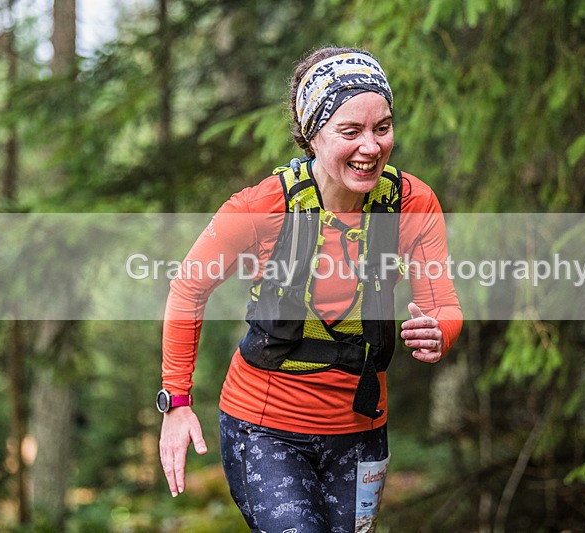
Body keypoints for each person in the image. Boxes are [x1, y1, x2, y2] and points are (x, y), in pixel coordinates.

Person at [158, 46, 462, 533]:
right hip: (266, 429)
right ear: (312, 134)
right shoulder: (262, 207)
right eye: (350, 131)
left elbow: (442, 307)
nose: (371, 147)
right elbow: (188, 288)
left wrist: (438, 332)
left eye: (382, 128)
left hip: (362, 433)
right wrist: (175, 401)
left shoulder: (412, 203)